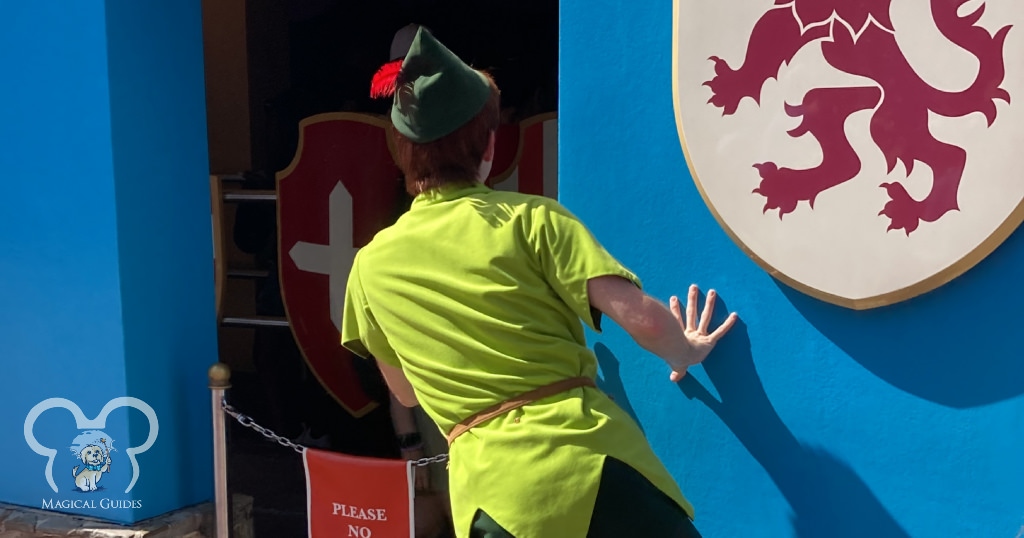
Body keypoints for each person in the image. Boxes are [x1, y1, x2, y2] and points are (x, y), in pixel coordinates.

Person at [343, 27, 737, 538]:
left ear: (403, 153)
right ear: (487, 145)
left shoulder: (370, 267)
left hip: (496, 501)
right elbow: (638, 316)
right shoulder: (532, 221)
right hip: (592, 470)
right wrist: (684, 350)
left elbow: (404, 391)